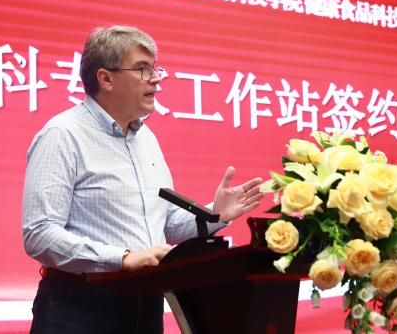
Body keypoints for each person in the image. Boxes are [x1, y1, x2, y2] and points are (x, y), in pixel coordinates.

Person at [22, 25, 263, 333]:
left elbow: (163, 226)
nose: (156, 78)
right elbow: (39, 234)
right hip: (80, 306)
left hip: (146, 303)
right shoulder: (62, 135)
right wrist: (122, 259)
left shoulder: (145, 138)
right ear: (106, 78)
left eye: (155, 68)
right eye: (142, 69)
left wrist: (215, 214)